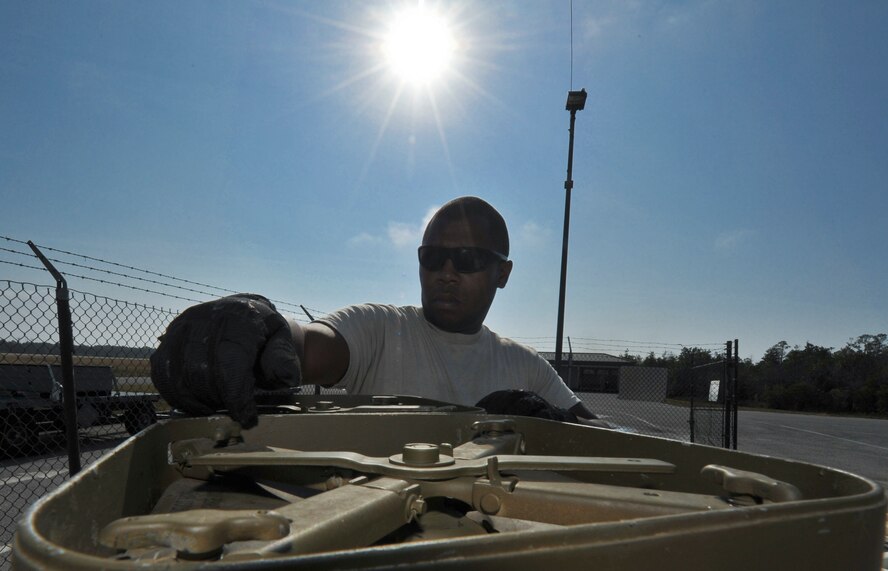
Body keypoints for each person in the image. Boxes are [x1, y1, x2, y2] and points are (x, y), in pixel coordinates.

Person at [150, 196, 605, 429]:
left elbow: (610, 439)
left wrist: (556, 424)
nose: (446, 273)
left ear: (502, 273)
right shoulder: (382, 328)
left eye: (466, 260)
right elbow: (310, 344)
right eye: (433, 257)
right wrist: (263, 326)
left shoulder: (527, 368)